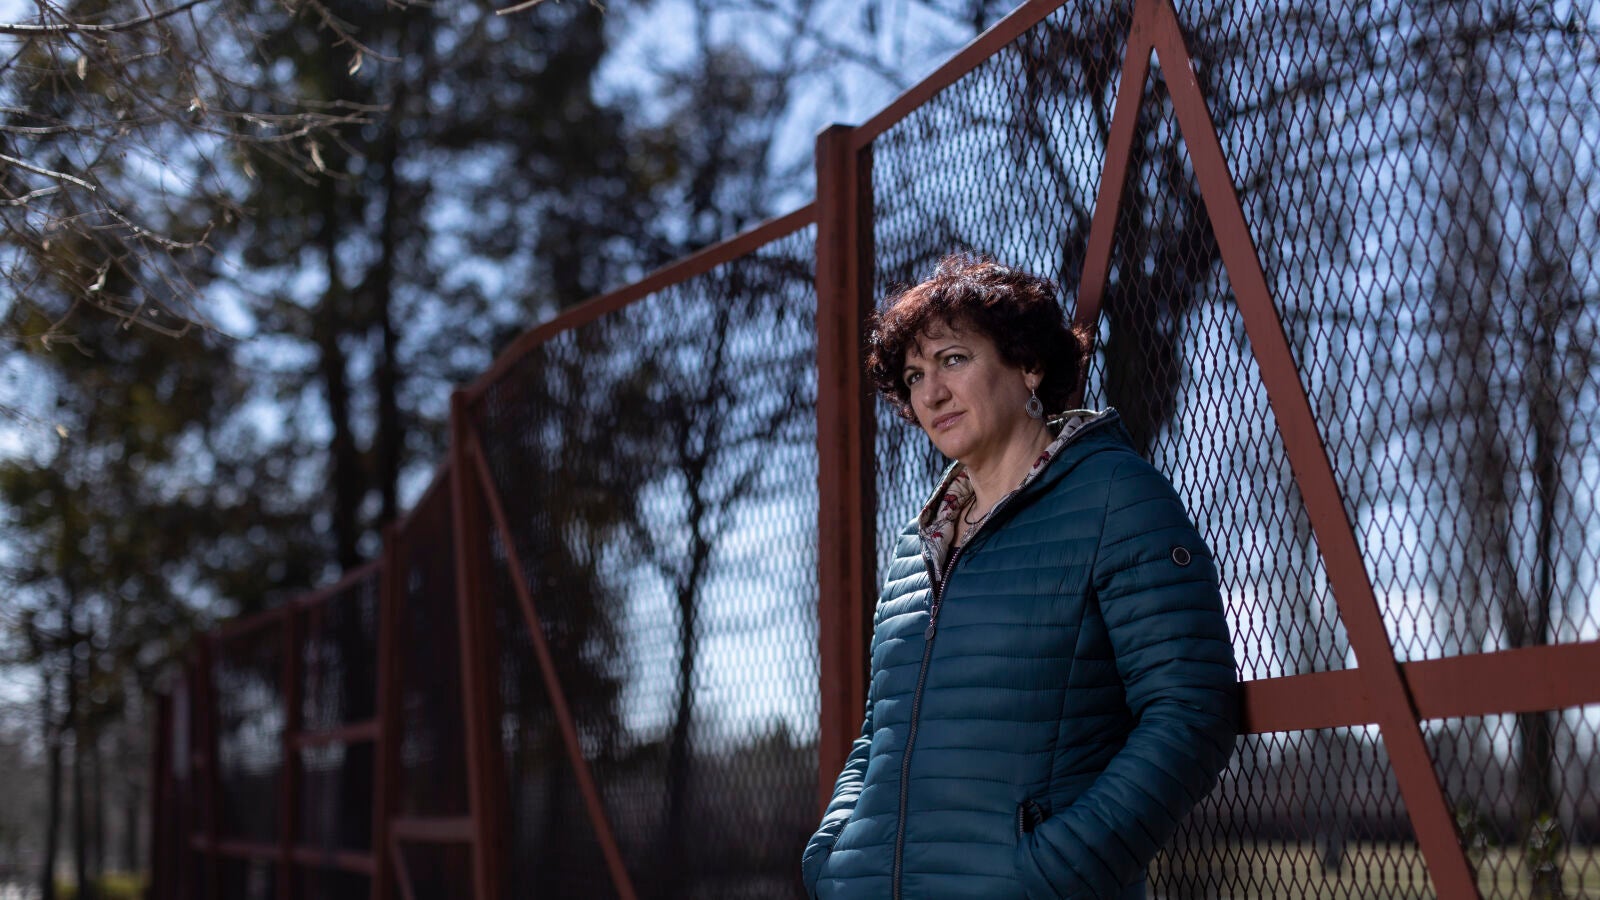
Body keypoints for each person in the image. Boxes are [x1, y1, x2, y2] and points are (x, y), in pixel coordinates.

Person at [801, 255, 1238, 899]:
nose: (931, 393)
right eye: (915, 375)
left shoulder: (1115, 497)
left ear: (1028, 364)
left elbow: (1191, 711)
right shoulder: (916, 545)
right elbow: (880, 733)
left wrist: (1051, 874)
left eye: (953, 359)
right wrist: (834, 856)